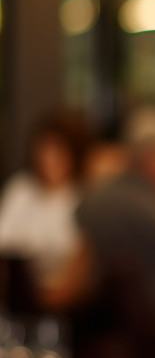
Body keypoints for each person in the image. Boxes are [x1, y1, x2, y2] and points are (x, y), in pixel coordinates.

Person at [0, 111, 90, 295]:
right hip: (14, 289)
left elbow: (73, 257)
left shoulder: (82, 199)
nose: (49, 159)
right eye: (44, 149)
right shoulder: (21, 189)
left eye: (59, 151)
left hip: (58, 295)